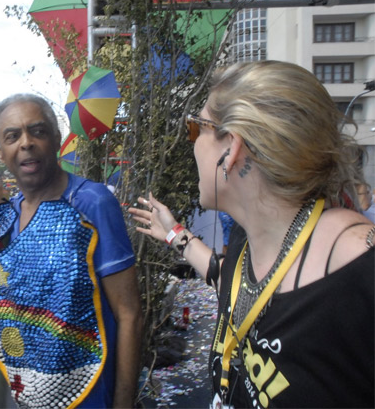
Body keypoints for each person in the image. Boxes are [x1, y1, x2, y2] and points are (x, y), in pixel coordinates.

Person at [129, 61, 374, 408]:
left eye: (196, 129)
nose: (192, 143)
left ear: (232, 148)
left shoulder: (356, 261)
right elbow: (233, 285)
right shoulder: (249, 242)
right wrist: (174, 234)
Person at [0, 93, 143, 408]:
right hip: (30, 396)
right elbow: (24, 287)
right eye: (12, 136)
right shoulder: (10, 214)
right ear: (1, 153)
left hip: (92, 395)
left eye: (37, 131)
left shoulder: (93, 203)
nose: (26, 142)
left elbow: (129, 313)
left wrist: (123, 404)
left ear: (56, 139)